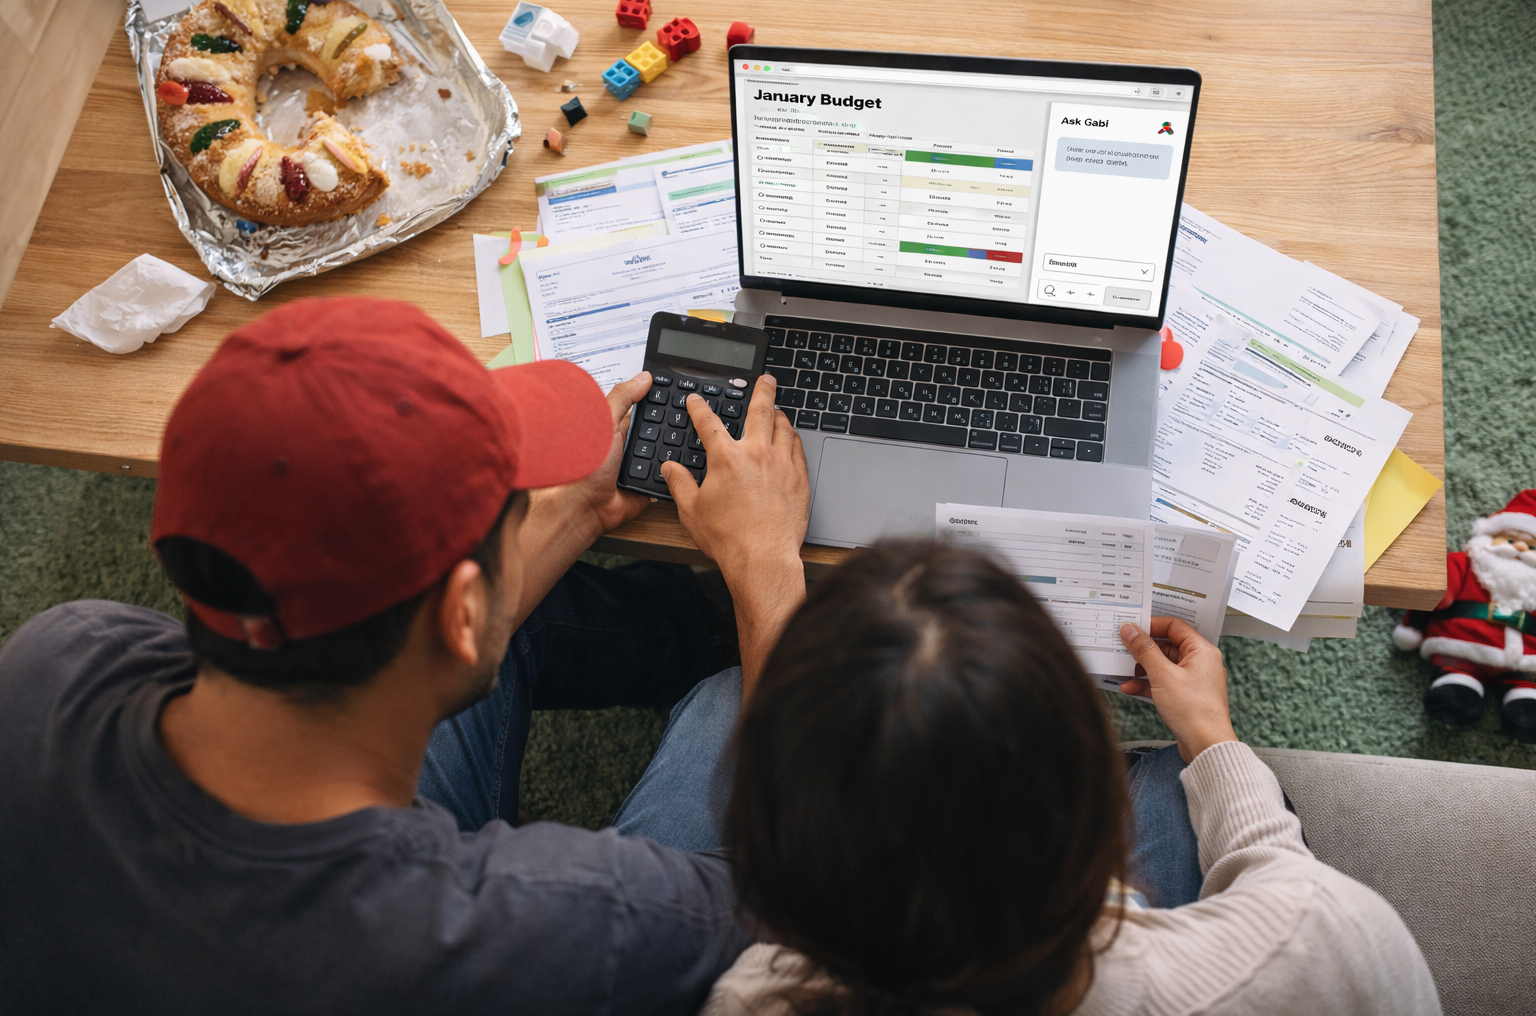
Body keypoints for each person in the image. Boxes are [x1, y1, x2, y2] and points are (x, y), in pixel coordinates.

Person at [0, 298, 811, 1013]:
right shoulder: (571, 919)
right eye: (510, 506)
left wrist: (584, 510)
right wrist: (766, 578)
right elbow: (823, 902)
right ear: (461, 614)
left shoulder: (60, 660)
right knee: (725, 701)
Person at [703, 542, 1441, 1016]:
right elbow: (1286, 881)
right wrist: (1210, 736)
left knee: (712, 699)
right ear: (1096, 799)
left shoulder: (754, 997)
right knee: (1167, 777)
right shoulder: (1316, 942)